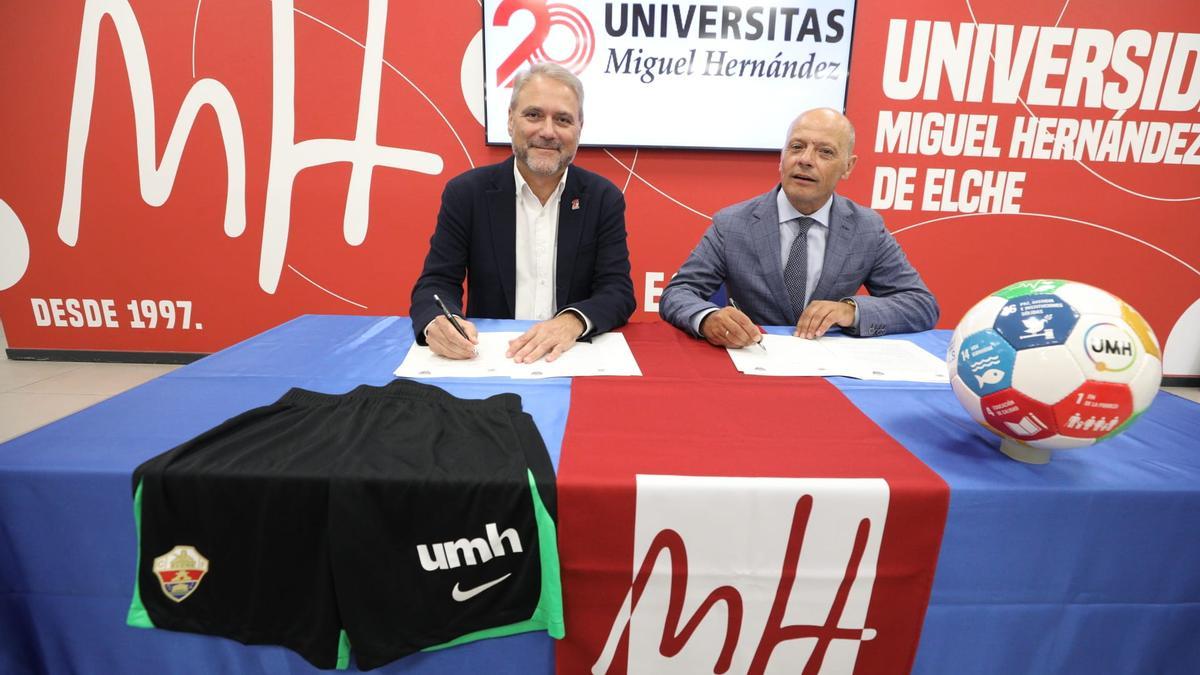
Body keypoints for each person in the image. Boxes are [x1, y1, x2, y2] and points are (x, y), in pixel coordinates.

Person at [410, 63, 635, 363]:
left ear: (580, 128)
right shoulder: (467, 194)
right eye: (534, 115)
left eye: (563, 120)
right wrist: (437, 322)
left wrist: (572, 321)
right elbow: (436, 284)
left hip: (571, 356)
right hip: (490, 359)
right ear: (510, 120)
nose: (547, 131)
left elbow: (617, 291)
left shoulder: (603, 198)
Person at [659, 107, 938, 348]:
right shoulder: (733, 223)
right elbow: (679, 293)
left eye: (825, 152)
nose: (805, 159)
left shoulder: (866, 228)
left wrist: (849, 311)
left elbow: (921, 305)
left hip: (831, 374)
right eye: (796, 147)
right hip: (753, 361)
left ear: (848, 167)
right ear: (781, 157)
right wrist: (708, 318)